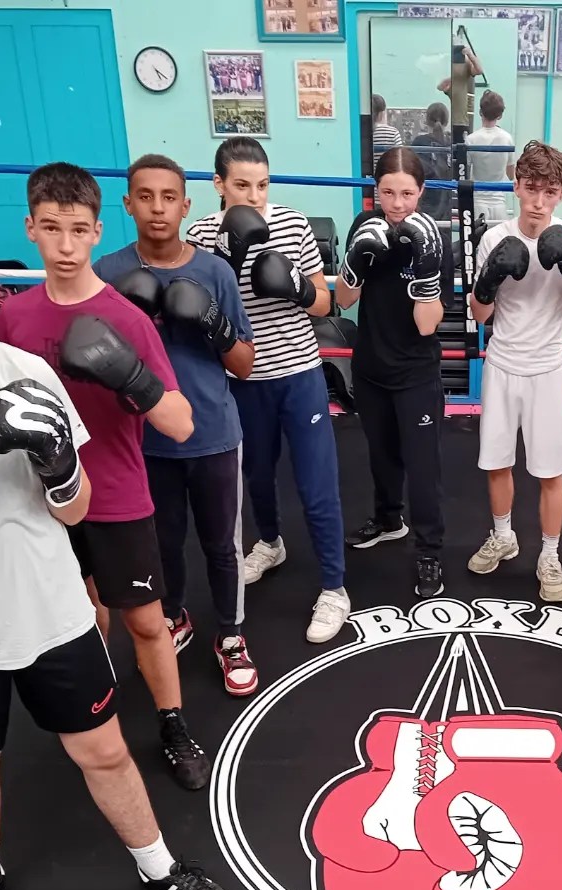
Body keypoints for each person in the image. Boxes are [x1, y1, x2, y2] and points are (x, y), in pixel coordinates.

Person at [0, 223, 232, 890]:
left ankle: (158, 867)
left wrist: (60, 462)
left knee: (103, 751)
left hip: (48, 606)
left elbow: (74, 509)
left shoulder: (21, 373)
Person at [0, 162, 212, 792]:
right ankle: (99, 714)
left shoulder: (127, 319)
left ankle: (173, 725)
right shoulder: (13, 319)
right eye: (51, 228)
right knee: (81, 615)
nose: (65, 245)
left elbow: (181, 424)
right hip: (41, 498)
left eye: (77, 230)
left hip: (115, 495)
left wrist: (130, 375)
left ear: (97, 231)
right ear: (30, 228)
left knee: (145, 620)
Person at [93, 153, 259, 697]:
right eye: (146, 197)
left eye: (169, 197)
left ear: (186, 205)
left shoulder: (215, 272)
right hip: (142, 440)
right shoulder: (108, 274)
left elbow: (244, 364)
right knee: (162, 543)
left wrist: (211, 321)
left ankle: (231, 635)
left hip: (213, 435)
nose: (158, 208)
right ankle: (174, 616)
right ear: (128, 204)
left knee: (221, 545)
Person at [186, 137, 351, 644]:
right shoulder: (200, 235)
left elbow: (324, 303)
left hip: (299, 373)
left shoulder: (293, 225)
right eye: (242, 185)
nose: (255, 197)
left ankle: (335, 588)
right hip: (240, 381)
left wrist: (297, 286)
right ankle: (271, 544)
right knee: (256, 475)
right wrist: (226, 267)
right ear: (219, 184)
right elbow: (197, 312)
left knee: (316, 482)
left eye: (262, 185)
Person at [467, 140, 562, 602]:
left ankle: (550, 555)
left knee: (549, 471)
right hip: (502, 365)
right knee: (497, 463)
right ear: (517, 186)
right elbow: (479, 315)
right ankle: (503, 536)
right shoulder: (493, 239)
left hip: (548, 369)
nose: (539, 202)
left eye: (550, 192)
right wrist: (490, 277)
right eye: (532, 188)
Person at [336, 148, 448, 598]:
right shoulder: (364, 226)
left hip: (416, 373)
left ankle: (430, 551)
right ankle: (388, 520)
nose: (397, 204)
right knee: (381, 456)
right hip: (370, 368)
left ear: (421, 192)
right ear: (375, 190)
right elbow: (343, 300)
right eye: (388, 192)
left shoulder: (433, 238)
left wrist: (425, 270)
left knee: (422, 469)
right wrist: (355, 261)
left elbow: (427, 325)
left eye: (406, 193)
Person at [466, 91, 516, 223]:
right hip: (499, 200)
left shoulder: (471, 140)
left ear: (480, 112)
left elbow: (465, 173)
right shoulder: (507, 138)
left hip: (478, 201)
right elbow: (511, 174)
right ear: (500, 115)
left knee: (478, 237)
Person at [411, 103, 451, 223]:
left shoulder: (419, 142)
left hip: (425, 199)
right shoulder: (450, 142)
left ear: (427, 121)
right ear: (446, 121)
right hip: (446, 202)